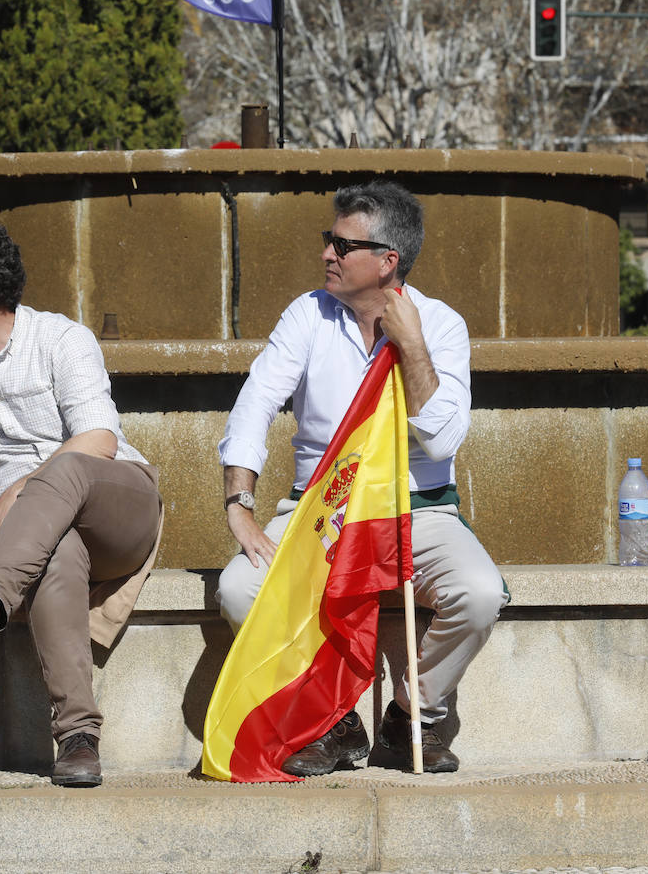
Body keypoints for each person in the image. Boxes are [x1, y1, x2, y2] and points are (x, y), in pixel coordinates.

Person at [217, 181, 507, 776]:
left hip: (417, 507)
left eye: (342, 246)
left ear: (386, 261)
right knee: (237, 591)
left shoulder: (441, 325)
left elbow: (444, 439)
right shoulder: (308, 314)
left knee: (478, 594)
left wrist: (413, 345)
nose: (327, 253)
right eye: (329, 240)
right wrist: (239, 502)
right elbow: (254, 403)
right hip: (321, 506)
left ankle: (410, 719)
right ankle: (333, 722)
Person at [0, 216, 162, 788]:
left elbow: (99, 440)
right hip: (38, 538)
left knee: (64, 479)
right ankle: (77, 738)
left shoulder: (61, 339)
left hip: (117, 506)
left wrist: (19, 488)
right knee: (56, 554)